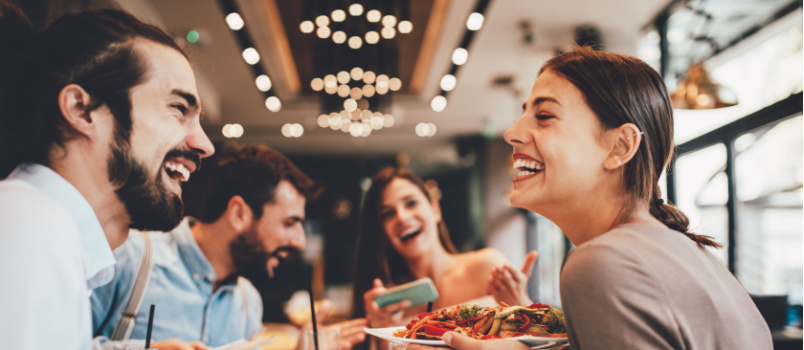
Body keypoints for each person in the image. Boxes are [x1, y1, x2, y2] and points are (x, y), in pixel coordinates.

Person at [410, 47, 773, 350]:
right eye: (523, 114)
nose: (513, 132)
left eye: (545, 116)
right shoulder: (691, 254)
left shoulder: (601, 262)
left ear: (620, 146)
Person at [0, 3, 214, 349]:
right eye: (178, 108)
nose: (204, 144)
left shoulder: (45, 230)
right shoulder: (32, 228)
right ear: (82, 110)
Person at [92, 144, 367, 350]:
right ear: (238, 214)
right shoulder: (128, 257)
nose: (300, 241)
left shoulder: (247, 302)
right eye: (289, 223)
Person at [351, 167, 537, 332]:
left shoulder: (487, 267)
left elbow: (541, 343)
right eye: (388, 213)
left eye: (411, 203)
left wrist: (522, 304)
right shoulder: (389, 307)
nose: (402, 217)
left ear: (435, 210)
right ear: (381, 231)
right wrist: (379, 333)